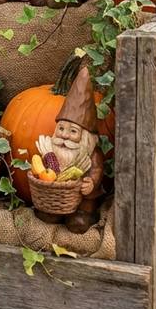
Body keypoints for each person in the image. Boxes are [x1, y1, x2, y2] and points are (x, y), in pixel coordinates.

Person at [34, 65, 105, 234]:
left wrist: (92, 183)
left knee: (82, 212)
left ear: (86, 137)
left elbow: (97, 169)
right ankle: (53, 212)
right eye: (61, 129)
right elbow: (43, 169)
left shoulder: (91, 154)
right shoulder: (52, 149)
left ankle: (84, 215)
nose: (64, 136)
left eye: (73, 131)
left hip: (82, 199)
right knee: (49, 213)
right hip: (57, 198)